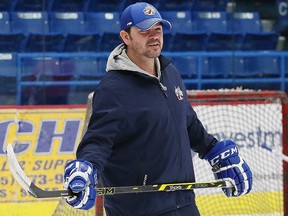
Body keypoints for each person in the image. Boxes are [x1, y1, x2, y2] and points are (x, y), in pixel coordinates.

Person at [63, 2, 253, 215]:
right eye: (144, 31)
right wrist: (87, 167)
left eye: (158, 29)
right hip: (140, 210)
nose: (154, 36)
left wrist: (214, 151)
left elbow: (187, 123)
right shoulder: (113, 89)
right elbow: (98, 141)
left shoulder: (171, 73)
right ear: (126, 37)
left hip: (184, 202)